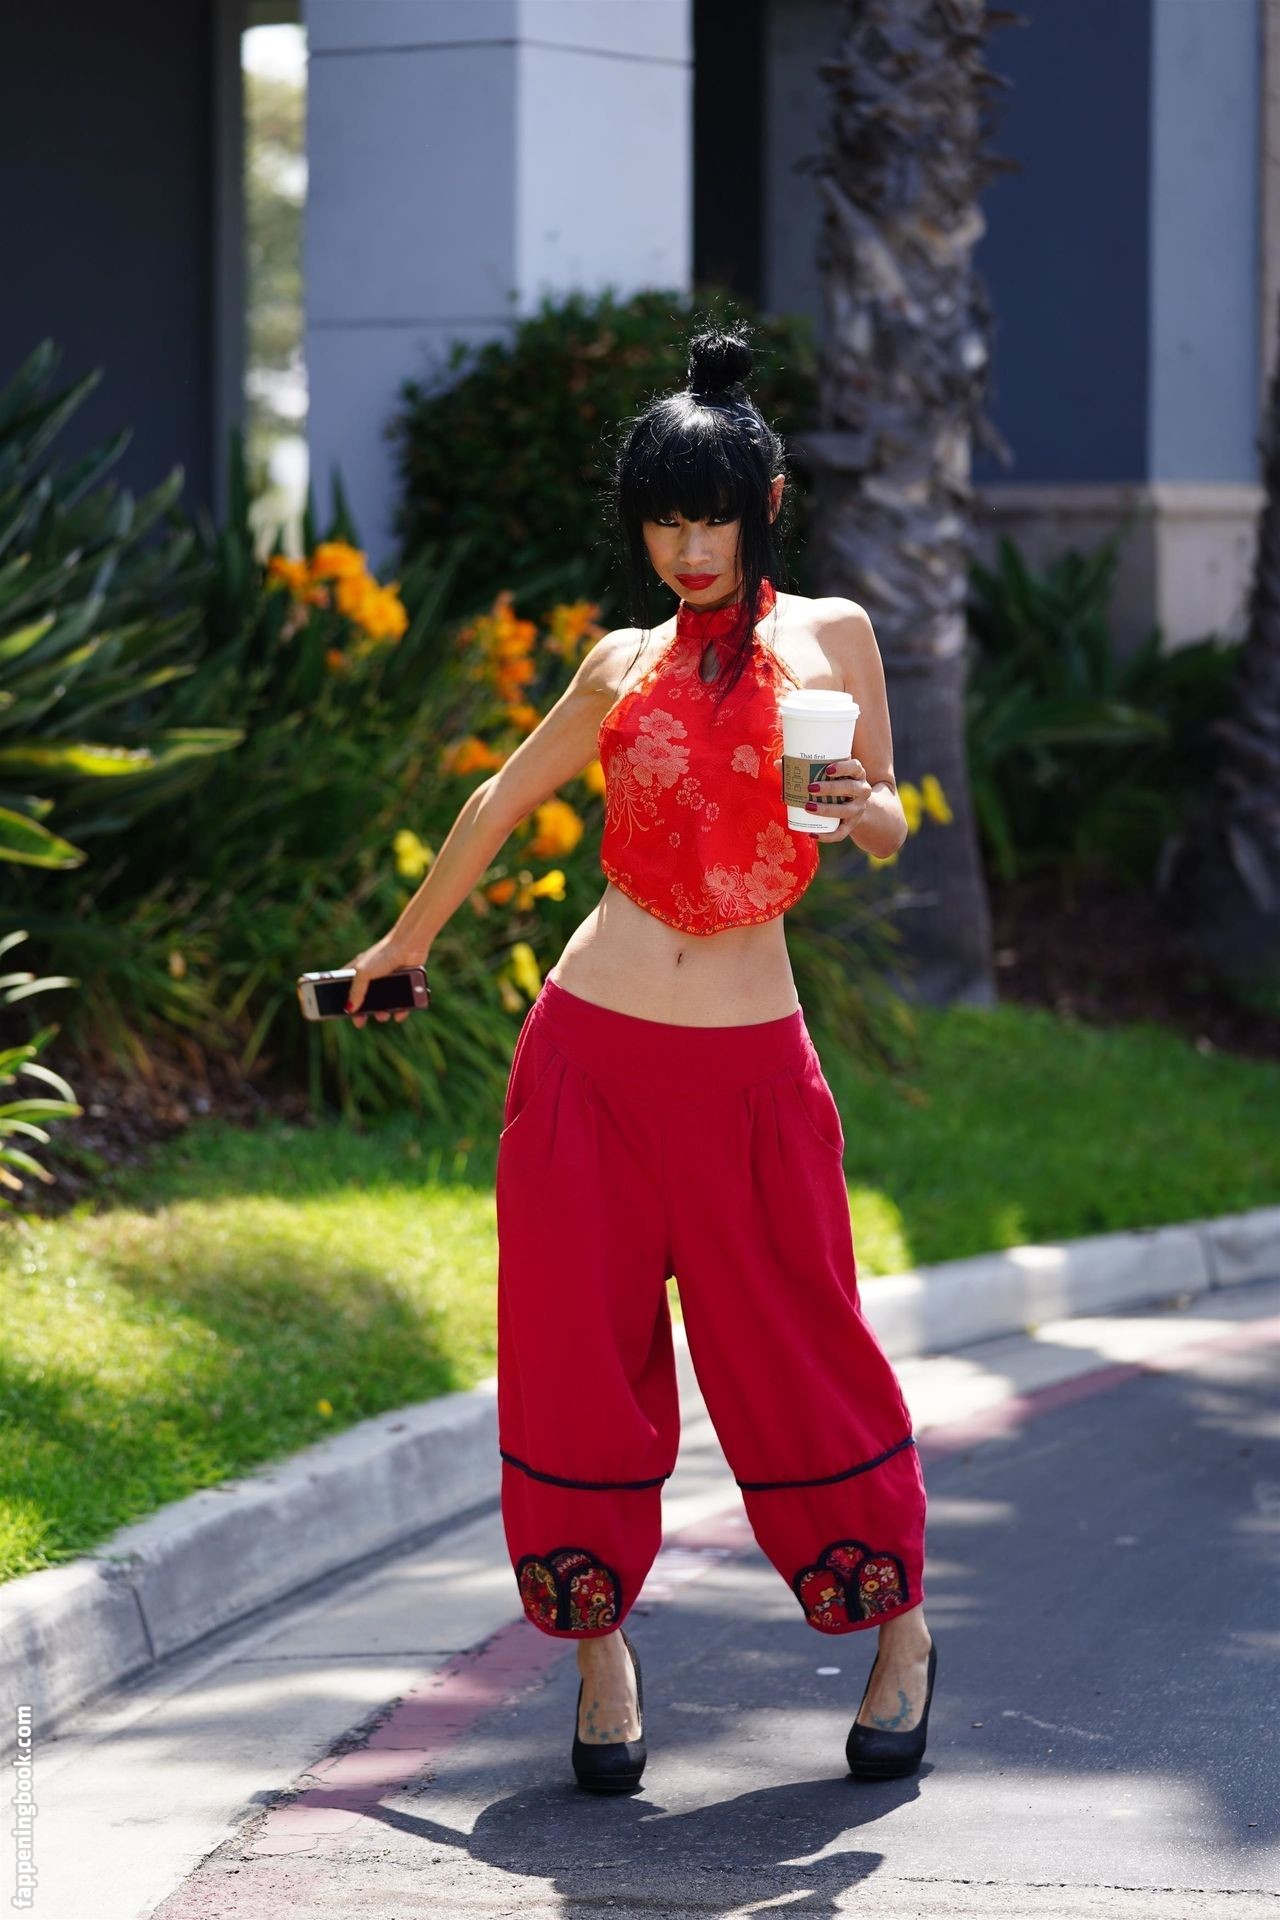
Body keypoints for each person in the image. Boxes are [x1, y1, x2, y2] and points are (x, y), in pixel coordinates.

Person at [342, 323, 936, 1792]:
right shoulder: (621, 662)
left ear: (765, 506)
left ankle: (899, 1629)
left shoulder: (835, 639)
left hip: (749, 1078)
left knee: (800, 1346)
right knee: (574, 1354)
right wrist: (401, 944)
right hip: (588, 1062)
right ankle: (600, 1660)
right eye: (663, 521)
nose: (688, 548)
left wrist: (852, 801)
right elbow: (497, 798)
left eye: (711, 518)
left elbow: (885, 826)